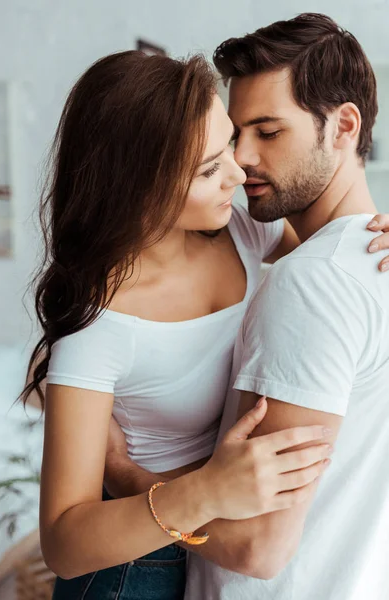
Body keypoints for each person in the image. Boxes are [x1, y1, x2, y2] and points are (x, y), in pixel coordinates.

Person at [20, 50, 339, 600]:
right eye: (211, 168)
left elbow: (329, 256)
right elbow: (63, 544)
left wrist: (370, 232)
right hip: (130, 566)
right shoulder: (99, 325)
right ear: (138, 187)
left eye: (231, 145)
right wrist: (205, 491)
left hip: (211, 545)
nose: (240, 174)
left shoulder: (241, 232)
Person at [181, 13, 389, 600]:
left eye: (268, 133)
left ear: (344, 125)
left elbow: (256, 546)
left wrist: (126, 478)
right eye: (234, 134)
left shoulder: (315, 282)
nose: (241, 158)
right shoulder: (369, 266)